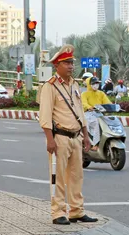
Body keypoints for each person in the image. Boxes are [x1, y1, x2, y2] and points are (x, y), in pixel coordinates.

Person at [38, 44, 98, 225]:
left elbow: (80, 112)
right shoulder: (50, 87)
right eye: (67, 63)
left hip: (76, 136)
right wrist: (50, 140)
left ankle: (76, 211)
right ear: (57, 65)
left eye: (72, 63)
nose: (71, 66)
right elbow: (45, 115)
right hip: (60, 137)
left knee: (76, 176)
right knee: (59, 177)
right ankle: (58, 213)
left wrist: (86, 136)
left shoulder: (75, 85)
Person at [81, 76, 112, 151]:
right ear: (89, 84)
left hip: (99, 113)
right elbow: (83, 103)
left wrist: (111, 106)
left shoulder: (101, 93)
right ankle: (94, 144)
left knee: (108, 123)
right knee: (96, 123)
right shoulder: (84, 94)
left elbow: (107, 102)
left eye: (97, 83)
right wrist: (89, 107)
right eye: (94, 83)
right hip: (89, 113)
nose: (96, 85)